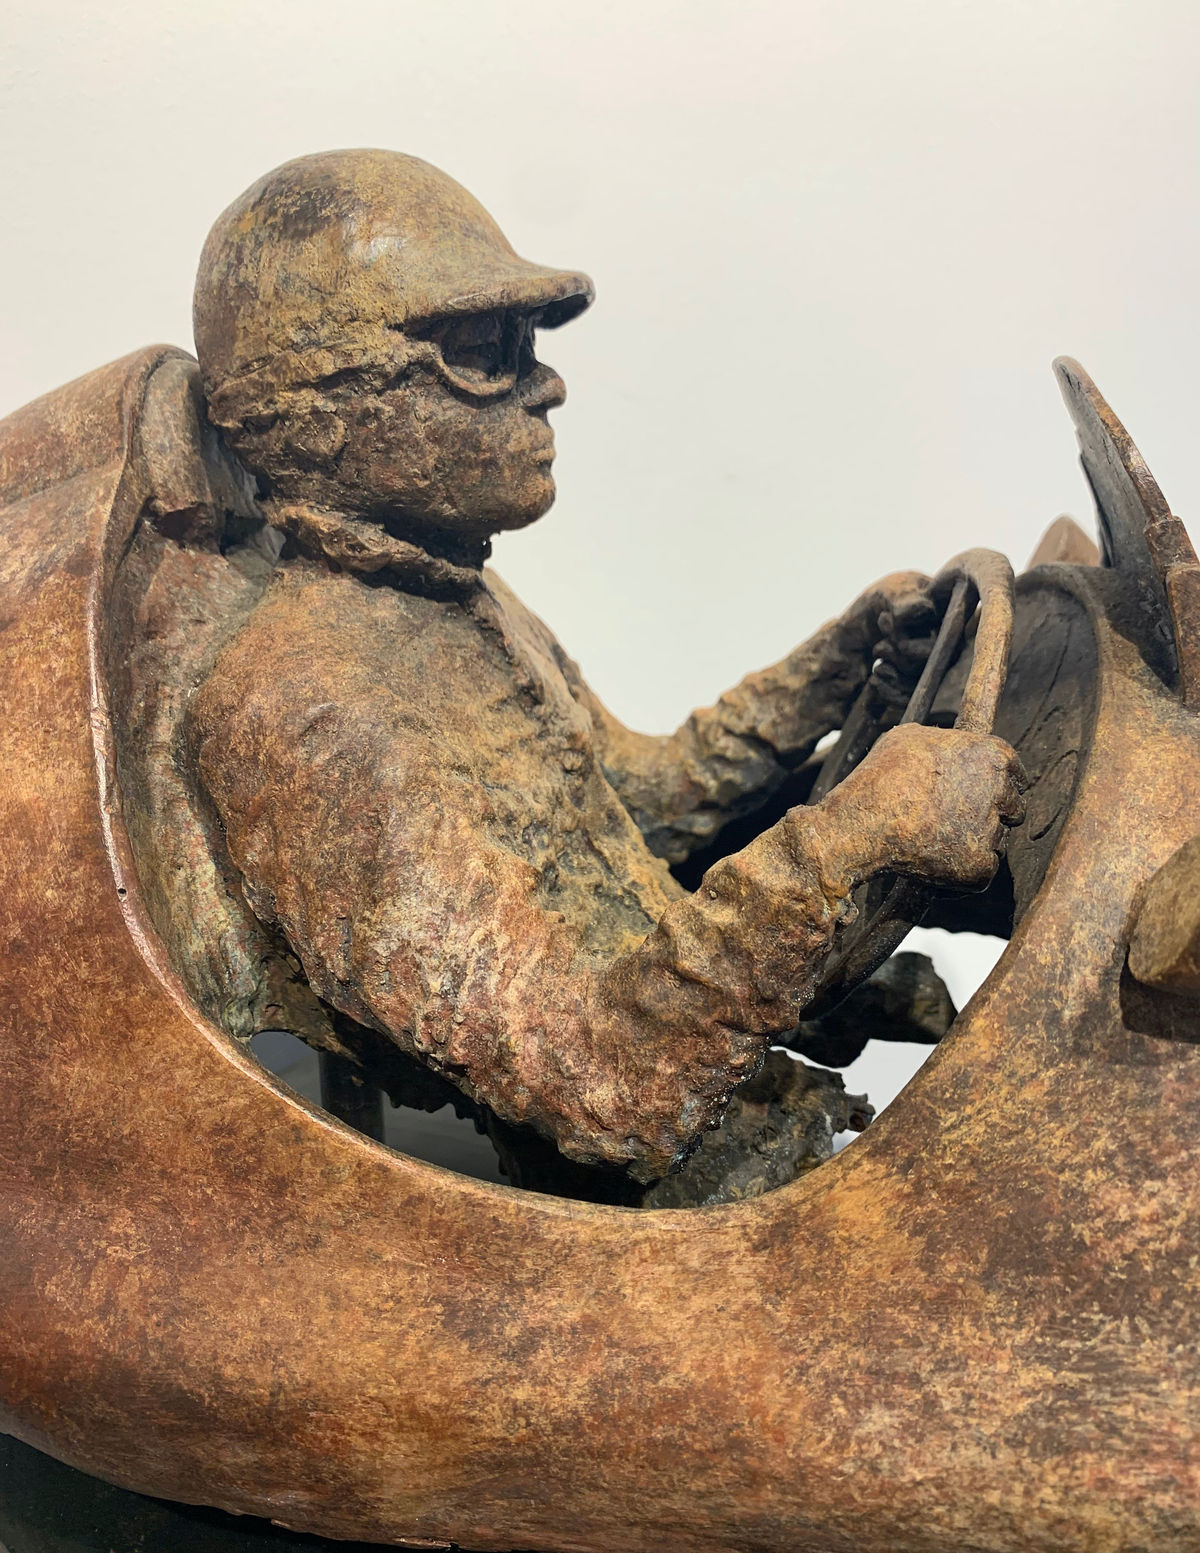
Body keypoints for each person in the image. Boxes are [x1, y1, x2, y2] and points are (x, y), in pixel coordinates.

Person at [186, 149, 1024, 1182]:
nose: (546, 383)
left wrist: (833, 665)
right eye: (481, 350)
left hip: (729, 1101)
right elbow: (599, 1079)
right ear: (313, 411)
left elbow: (637, 802)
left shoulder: (458, 598)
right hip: (642, 1210)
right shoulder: (304, 707)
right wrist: (849, 841)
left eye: (526, 342)